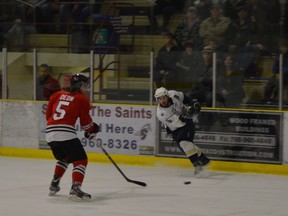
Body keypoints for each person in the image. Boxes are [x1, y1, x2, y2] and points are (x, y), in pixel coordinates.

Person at [46, 73, 100, 201]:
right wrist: (93, 129)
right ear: (80, 85)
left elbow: (48, 116)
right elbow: (86, 124)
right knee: (81, 160)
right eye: (85, 85)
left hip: (50, 133)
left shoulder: (56, 94)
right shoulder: (82, 99)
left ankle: (54, 184)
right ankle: (75, 187)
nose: (86, 88)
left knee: (66, 157)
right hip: (65, 133)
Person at [155, 87, 211, 175]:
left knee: (184, 143)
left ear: (167, 96)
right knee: (186, 147)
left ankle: (198, 167)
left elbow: (184, 98)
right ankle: (204, 160)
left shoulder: (173, 94)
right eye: (160, 99)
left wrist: (194, 103)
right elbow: (179, 122)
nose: (163, 100)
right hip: (176, 128)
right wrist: (189, 113)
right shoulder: (161, 113)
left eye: (164, 97)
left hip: (186, 125)